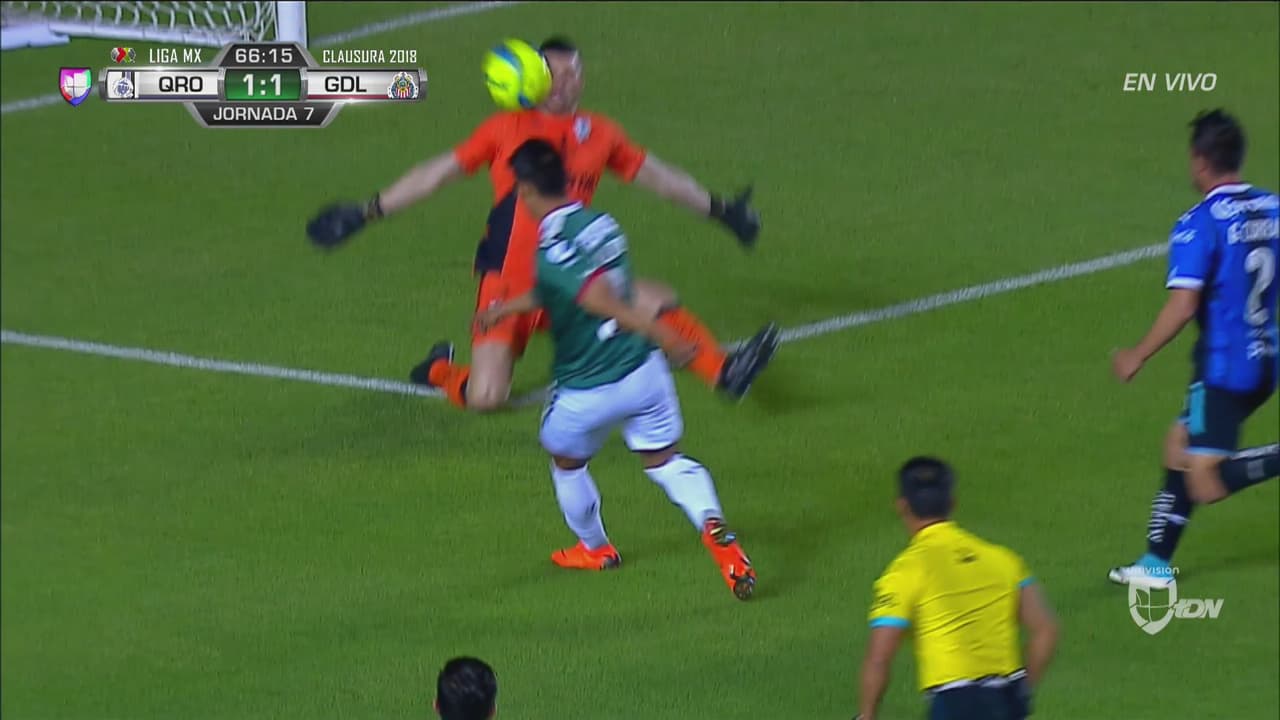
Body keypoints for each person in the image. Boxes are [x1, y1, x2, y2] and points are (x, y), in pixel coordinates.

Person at [306, 35, 779, 412]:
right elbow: (437, 173)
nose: (564, 82)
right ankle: (439, 371)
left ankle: (724, 372)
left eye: (573, 72)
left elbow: (661, 178)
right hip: (507, 282)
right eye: (553, 73)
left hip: (568, 273)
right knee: (487, 397)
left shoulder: (600, 133)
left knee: (651, 300)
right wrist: (367, 211)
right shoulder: (505, 128)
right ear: (534, 77)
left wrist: (722, 211)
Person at [474, 139, 760, 599]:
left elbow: (595, 297)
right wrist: (507, 308)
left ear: (525, 190)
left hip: (586, 389)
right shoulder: (601, 224)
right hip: (643, 373)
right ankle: (714, 528)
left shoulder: (551, 247)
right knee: (666, 462)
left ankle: (595, 548)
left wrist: (664, 333)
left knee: (567, 463)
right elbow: (569, 287)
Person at [1109, 109, 1279, 587]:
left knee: (1206, 480)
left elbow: (1183, 306)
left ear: (1201, 161)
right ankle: (1155, 564)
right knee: (1178, 443)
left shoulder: (1198, 223)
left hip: (1223, 368)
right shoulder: (1273, 208)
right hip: (1266, 356)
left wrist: (1137, 354)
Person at [854, 457, 1058, 720]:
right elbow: (1045, 630)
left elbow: (879, 658)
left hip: (955, 704)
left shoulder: (904, 572)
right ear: (952, 503)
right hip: (1006, 699)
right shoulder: (1003, 560)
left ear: (902, 506)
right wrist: (1022, 690)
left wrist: (867, 715)